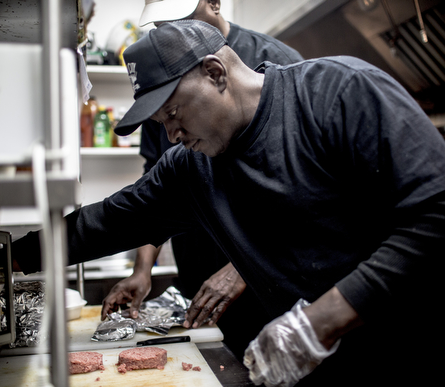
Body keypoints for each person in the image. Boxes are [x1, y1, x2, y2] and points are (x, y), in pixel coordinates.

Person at [12, 21, 445, 385]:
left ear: (216, 72)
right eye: (160, 123)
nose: (172, 133)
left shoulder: (337, 92)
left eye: (173, 113)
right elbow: (101, 224)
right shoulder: (190, 166)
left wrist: (317, 322)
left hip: (435, 355)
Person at [101, 0, 304, 360]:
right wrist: (142, 270)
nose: (170, 35)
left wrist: (242, 267)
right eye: (161, 25)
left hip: (265, 284)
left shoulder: (275, 61)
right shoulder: (162, 88)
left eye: (180, 20)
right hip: (198, 274)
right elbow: (156, 183)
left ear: (213, 3)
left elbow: (300, 192)